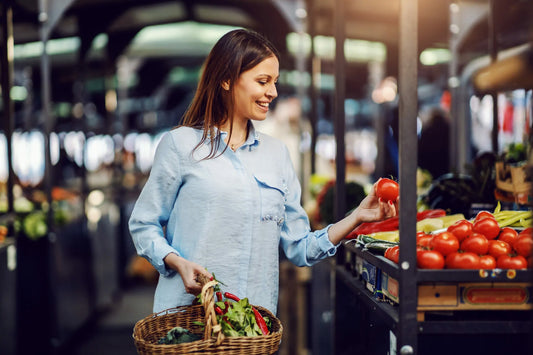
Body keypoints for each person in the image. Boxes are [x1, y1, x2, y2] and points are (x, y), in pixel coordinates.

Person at [128, 28, 398, 315]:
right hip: (188, 320)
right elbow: (143, 225)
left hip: (253, 327)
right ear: (226, 80)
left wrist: (357, 217)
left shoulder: (277, 154)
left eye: (275, 81)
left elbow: (300, 247)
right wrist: (175, 260)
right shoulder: (180, 145)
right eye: (263, 81)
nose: (273, 92)